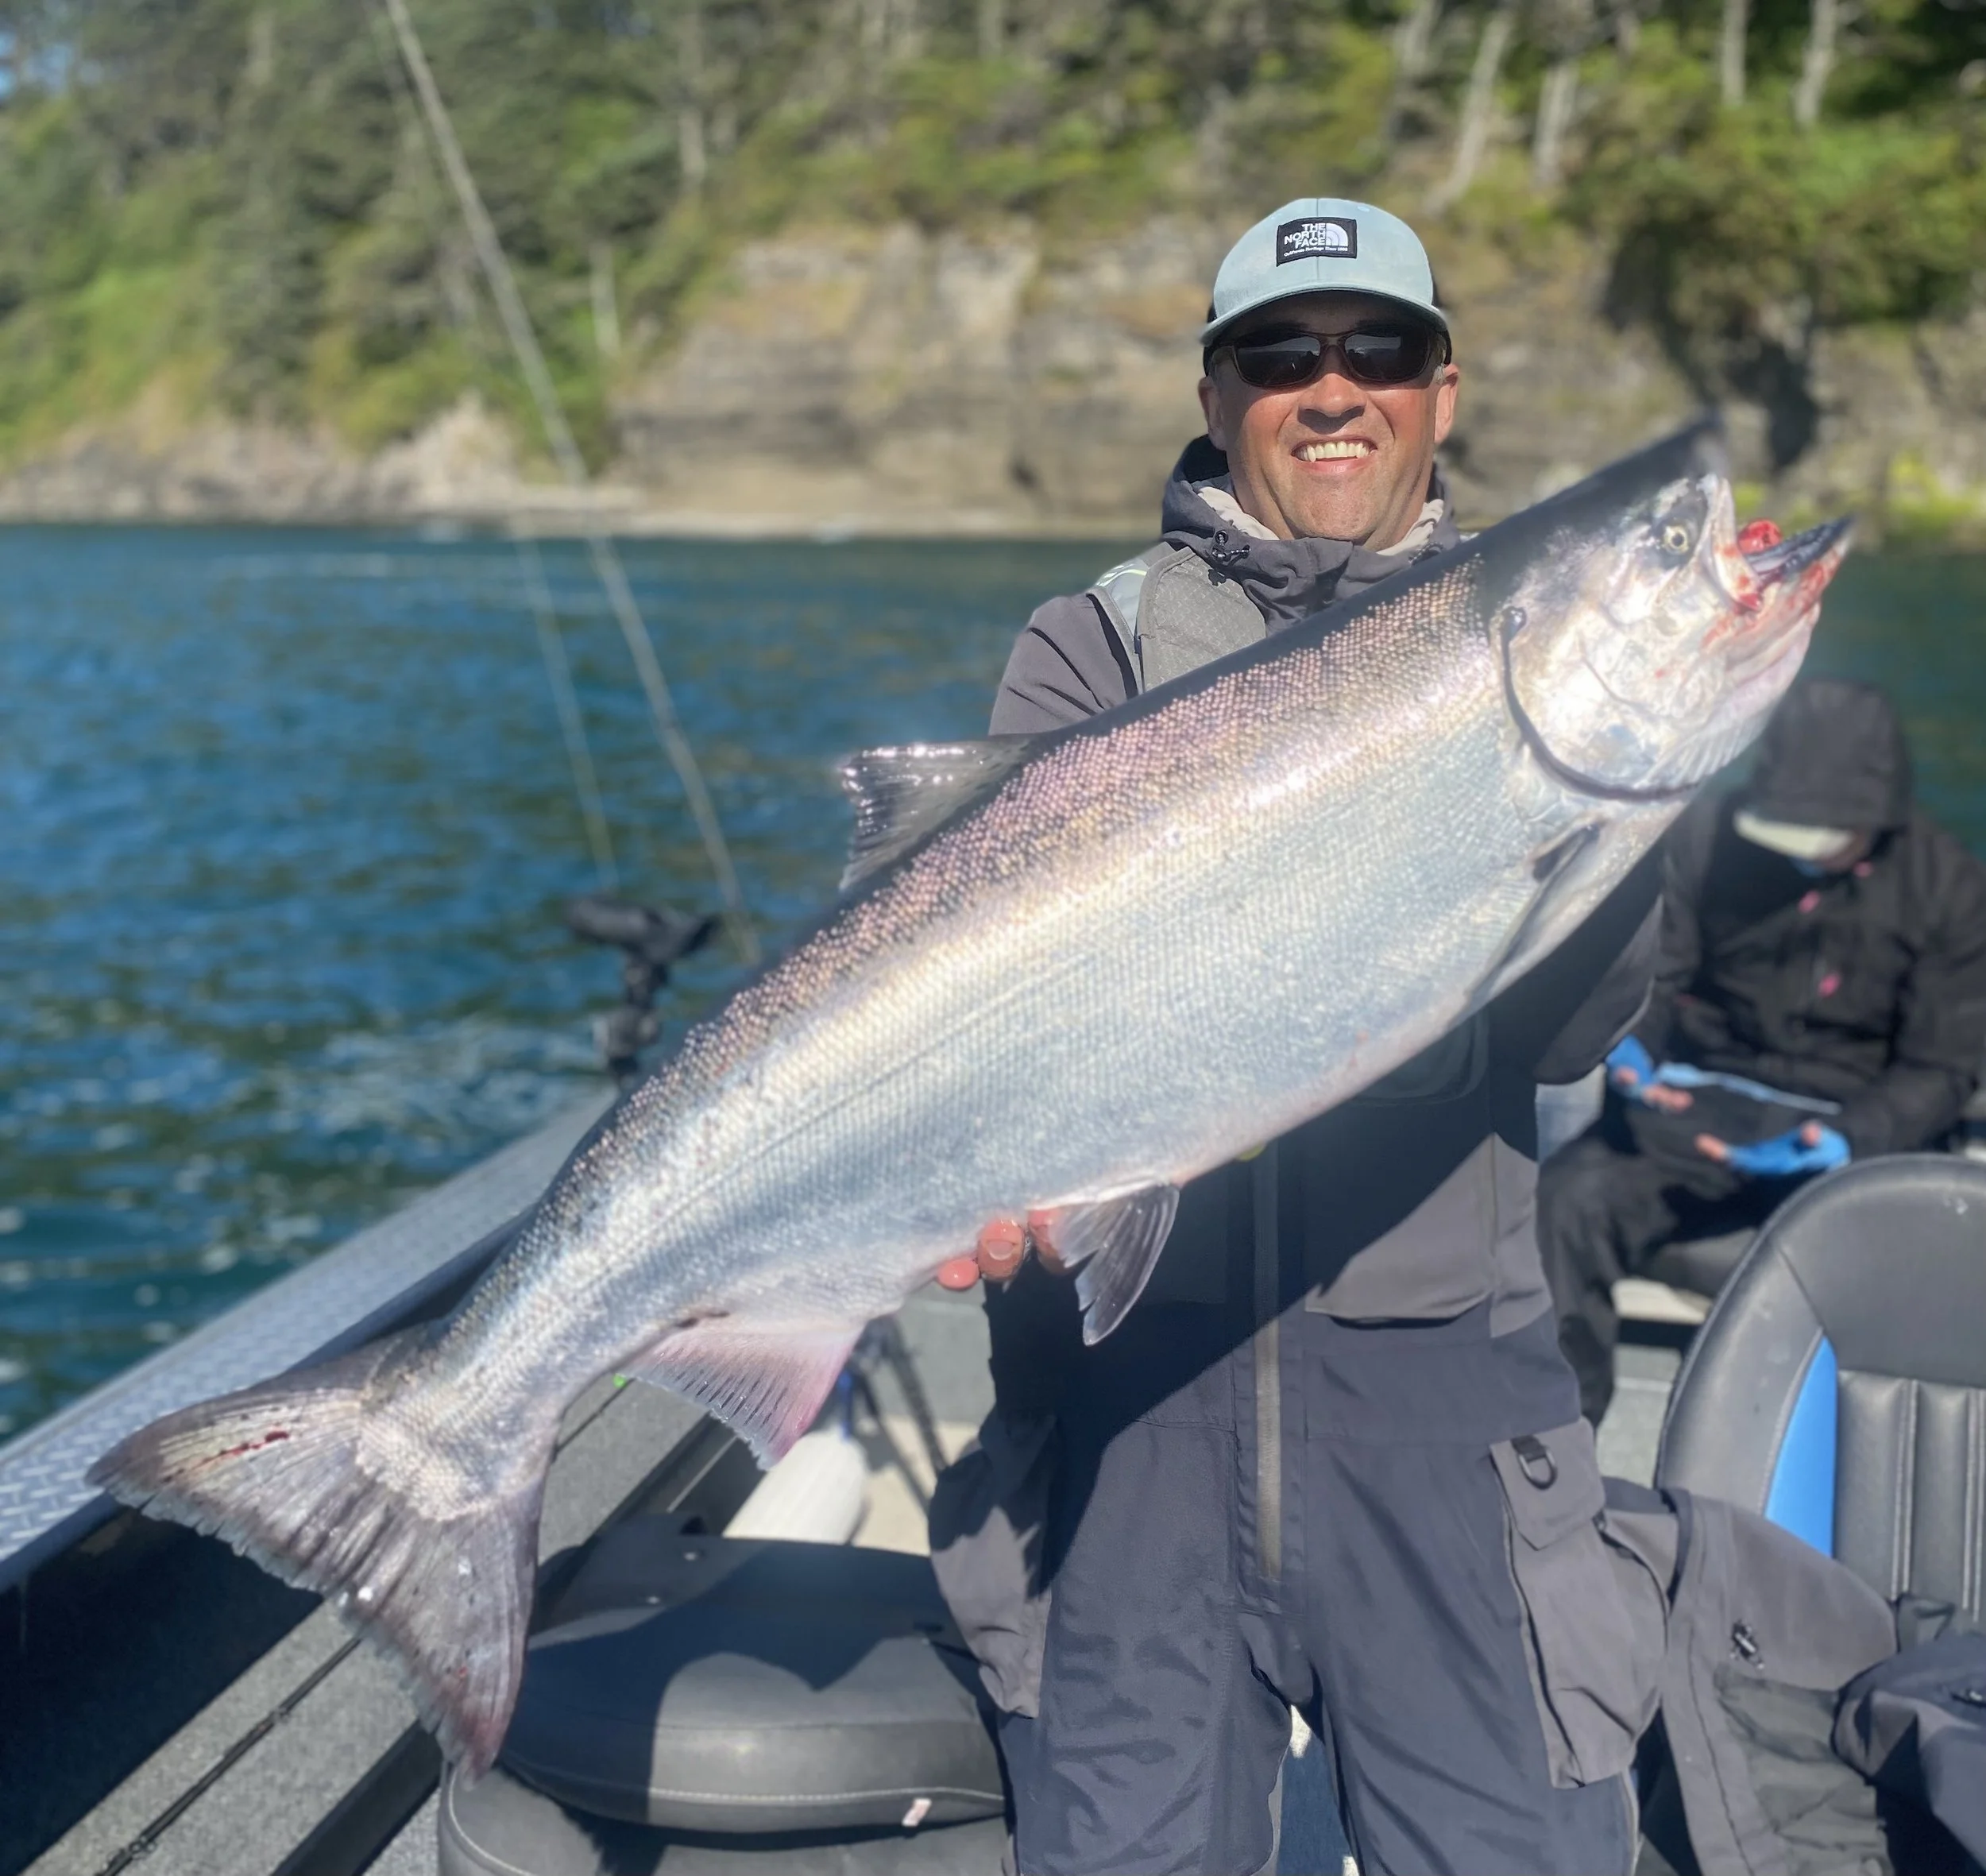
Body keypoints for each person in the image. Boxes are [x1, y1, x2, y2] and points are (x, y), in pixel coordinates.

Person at [926, 197, 1664, 1876]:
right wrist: (978, 1160)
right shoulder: (1092, 646)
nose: (1331, 388)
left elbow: (1579, 1030)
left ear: (1440, 391)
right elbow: (988, 983)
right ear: (1214, 397)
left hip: (1447, 1413)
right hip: (1130, 1419)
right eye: (1277, 355)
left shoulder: (1549, 645)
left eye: (1377, 348)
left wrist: (1616, 789)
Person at [1540, 676, 1986, 1425]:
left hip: (1848, 1129)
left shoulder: (1949, 888)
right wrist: (1630, 1049)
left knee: (1904, 1260)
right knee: (1568, 1200)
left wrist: (1848, 1136)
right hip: (1698, 1109)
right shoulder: (1705, 839)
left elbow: (1942, 1065)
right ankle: (1559, 1437)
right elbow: (1656, 978)